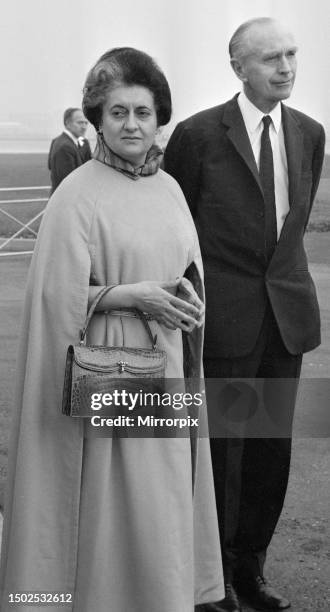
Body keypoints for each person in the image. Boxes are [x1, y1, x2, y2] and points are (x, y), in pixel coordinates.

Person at [0, 48, 224, 612]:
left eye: (143, 113)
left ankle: (162, 598)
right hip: (107, 370)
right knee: (113, 501)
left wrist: (186, 290)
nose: (132, 125)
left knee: (162, 499)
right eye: (118, 112)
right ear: (98, 118)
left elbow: (184, 262)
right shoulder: (77, 193)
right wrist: (126, 295)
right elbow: (55, 297)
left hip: (166, 364)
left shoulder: (169, 188)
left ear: (159, 118)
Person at [164, 17, 325, 612]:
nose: (285, 67)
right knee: (221, 455)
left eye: (291, 54)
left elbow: (294, 226)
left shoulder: (310, 132)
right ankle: (213, 580)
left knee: (269, 452)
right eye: (269, 59)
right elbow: (174, 228)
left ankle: (250, 571)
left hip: (286, 321)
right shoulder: (200, 135)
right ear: (239, 68)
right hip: (223, 320)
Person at [48, 107, 91, 192]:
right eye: (80, 123)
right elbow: (69, 181)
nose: (84, 127)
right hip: (67, 199)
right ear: (67, 123)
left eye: (86, 123)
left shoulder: (82, 142)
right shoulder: (65, 147)